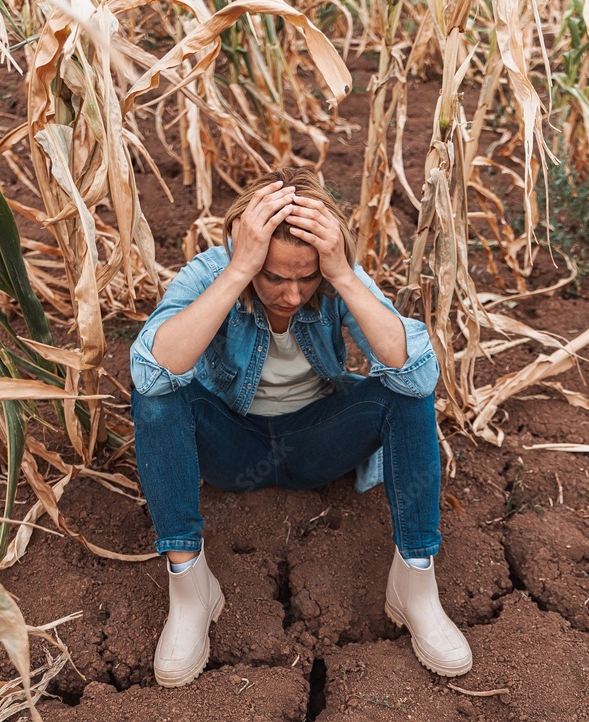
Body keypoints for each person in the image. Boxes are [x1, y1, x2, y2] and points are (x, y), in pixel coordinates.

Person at [130, 167, 472, 688]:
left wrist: (340, 275)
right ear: (245, 252)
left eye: (305, 277)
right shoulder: (211, 273)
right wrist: (239, 271)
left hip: (318, 444)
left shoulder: (336, 278)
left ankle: (415, 585)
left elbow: (421, 372)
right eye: (274, 277)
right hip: (235, 446)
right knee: (158, 393)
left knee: (405, 389)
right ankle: (190, 588)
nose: (292, 295)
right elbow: (149, 375)